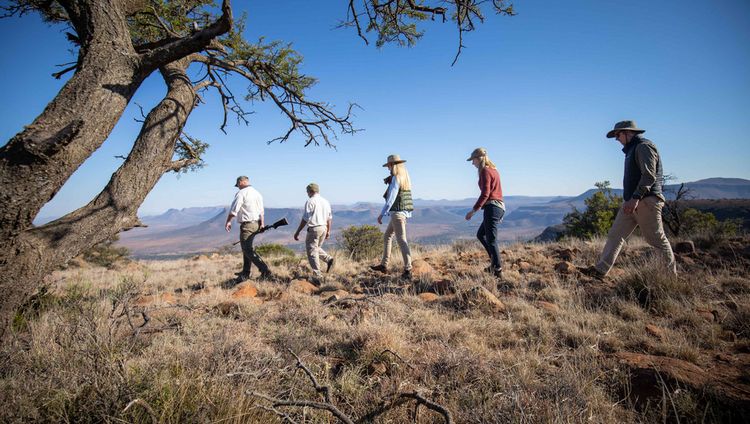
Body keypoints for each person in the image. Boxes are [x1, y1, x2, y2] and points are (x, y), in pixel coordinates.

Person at [581, 120, 676, 278]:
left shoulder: (644, 146)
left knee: (657, 240)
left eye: (617, 135)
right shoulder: (633, 149)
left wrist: (636, 198)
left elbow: (649, 176)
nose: (616, 139)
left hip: (646, 201)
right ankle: (599, 271)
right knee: (615, 235)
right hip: (632, 201)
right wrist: (631, 199)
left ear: (627, 132)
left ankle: (671, 279)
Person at [370, 154, 413, 279]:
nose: (388, 168)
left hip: (397, 214)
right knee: (387, 236)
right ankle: (384, 264)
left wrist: (382, 213)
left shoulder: (396, 178)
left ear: (393, 165)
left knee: (401, 240)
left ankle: (408, 269)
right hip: (400, 213)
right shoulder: (405, 178)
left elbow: (391, 198)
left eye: (389, 166)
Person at [465, 148, 505, 279]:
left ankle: (497, 269)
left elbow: (486, 194)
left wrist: (473, 210)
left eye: (473, 160)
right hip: (497, 207)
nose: (472, 163)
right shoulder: (494, 170)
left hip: (492, 207)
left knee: (491, 240)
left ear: (479, 158)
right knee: (481, 234)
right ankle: (494, 263)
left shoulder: (486, 171)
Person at [225, 176, 272, 282]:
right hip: (256, 223)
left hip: (247, 225)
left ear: (241, 182)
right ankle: (245, 272)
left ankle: (265, 271)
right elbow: (261, 211)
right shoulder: (257, 193)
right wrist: (262, 224)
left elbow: (234, 210)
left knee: (247, 249)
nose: (238, 187)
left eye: (238, 185)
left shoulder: (241, 193)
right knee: (246, 248)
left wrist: (228, 221)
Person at [293, 183, 334, 285]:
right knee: (315, 248)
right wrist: (328, 230)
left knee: (311, 251)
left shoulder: (310, 201)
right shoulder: (325, 201)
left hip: (315, 228)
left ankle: (317, 275)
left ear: (310, 191)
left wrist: (297, 232)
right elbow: (329, 218)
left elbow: (305, 218)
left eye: (307, 191)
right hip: (324, 227)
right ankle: (329, 259)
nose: (307, 193)